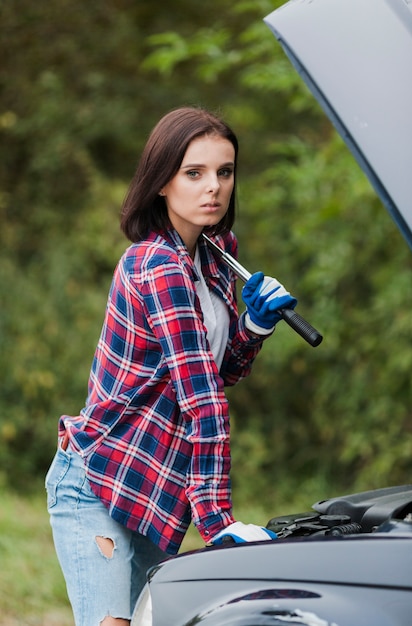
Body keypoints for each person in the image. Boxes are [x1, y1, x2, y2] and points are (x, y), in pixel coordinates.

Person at [45, 106, 297, 626]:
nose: (214, 189)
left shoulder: (216, 253)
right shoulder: (156, 264)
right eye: (194, 173)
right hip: (98, 478)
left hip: (154, 489)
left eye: (224, 172)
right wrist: (219, 523)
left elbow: (218, 368)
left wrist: (255, 325)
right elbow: (201, 398)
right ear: (162, 181)